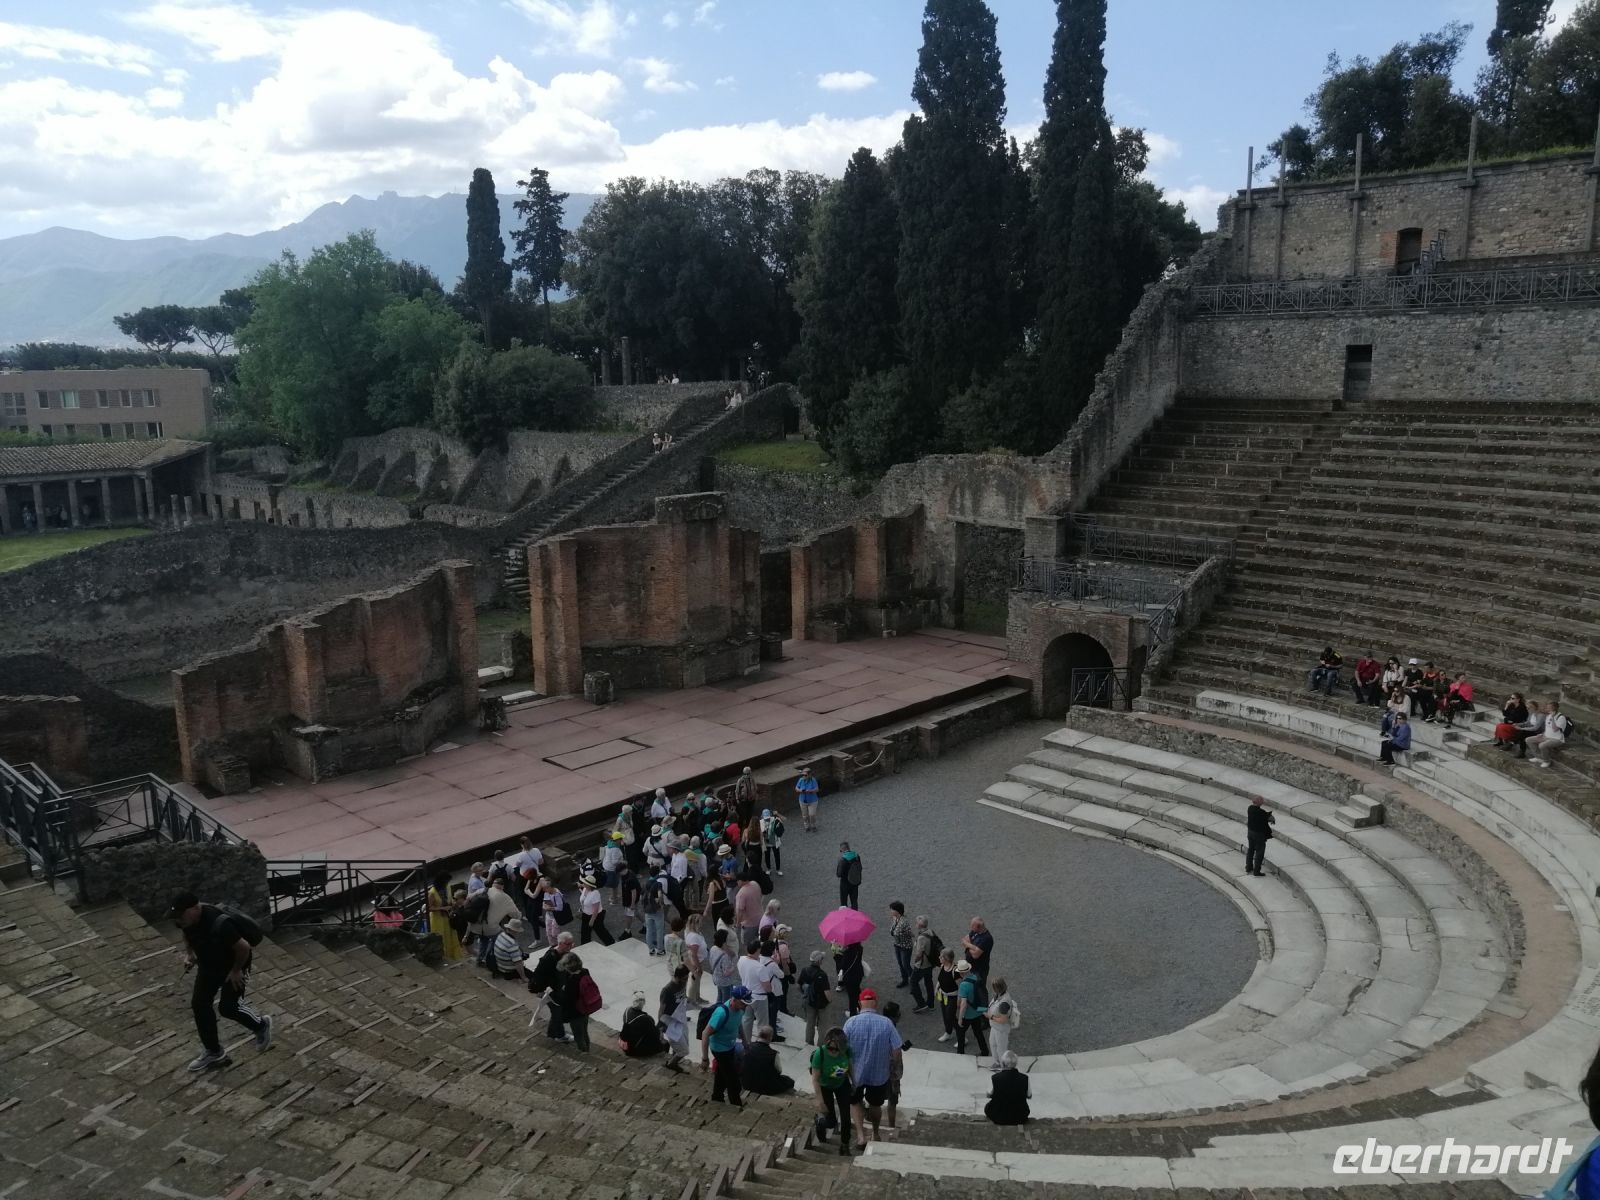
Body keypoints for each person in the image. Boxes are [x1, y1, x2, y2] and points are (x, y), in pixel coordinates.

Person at [170, 892, 272, 1072]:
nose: (178, 920)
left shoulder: (220, 922)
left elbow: (244, 947)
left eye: (181, 915)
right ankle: (213, 1052)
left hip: (236, 966)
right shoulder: (187, 920)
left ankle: (261, 1025)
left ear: (195, 908)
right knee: (199, 1004)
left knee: (228, 1007)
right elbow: (186, 933)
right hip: (209, 965)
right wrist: (189, 954)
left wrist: (235, 970)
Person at [843, 989, 902, 1146]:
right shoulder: (886, 1023)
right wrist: (892, 1066)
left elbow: (842, 1048)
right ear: (875, 1003)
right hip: (879, 1074)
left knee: (855, 1102)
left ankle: (861, 1136)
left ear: (859, 1003)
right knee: (876, 1105)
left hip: (855, 1073)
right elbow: (897, 1049)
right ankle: (875, 1133)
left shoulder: (850, 1022)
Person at [701, 985, 752, 1106]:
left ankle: (717, 1097)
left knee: (721, 1074)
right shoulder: (721, 1013)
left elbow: (739, 1025)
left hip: (730, 1046)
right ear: (734, 1000)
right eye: (743, 1003)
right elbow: (705, 1033)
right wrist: (705, 1058)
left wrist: (745, 1043)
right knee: (734, 1081)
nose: (745, 1006)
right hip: (719, 1049)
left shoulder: (740, 1009)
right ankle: (736, 1104)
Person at [809, 1026, 854, 1156]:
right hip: (825, 1086)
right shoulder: (820, 1054)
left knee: (846, 1118)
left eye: (836, 1049)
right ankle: (820, 1122)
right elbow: (815, 1079)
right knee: (831, 1121)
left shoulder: (847, 1051)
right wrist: (820, 1101)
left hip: (842, 1084)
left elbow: (850, 1066)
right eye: (830, 1048)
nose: (832, 1052)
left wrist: (854, 1082)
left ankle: (845, 1145)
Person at [528, 931, 576, 1041]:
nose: (571, 946)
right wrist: (541, 990)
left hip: (558, 989)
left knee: (558, 1012)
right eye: (569, 944)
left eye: (572, 944)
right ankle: (559, 1035)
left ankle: (554, 1033)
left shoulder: (564, 954)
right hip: (550, 991)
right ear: (561, 943)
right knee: (557, 1012)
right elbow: (539, 974)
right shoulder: (549, 957)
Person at [472, 877, 520, 968]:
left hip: (478, 924)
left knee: (483, 940)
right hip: (491, 926)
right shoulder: (505, 897)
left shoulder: (482, 890)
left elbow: (468, 898)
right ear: (502, 886)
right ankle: (491, 960)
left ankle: (479, 959)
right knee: (498, 939)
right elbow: (515, 914)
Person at [556, 952, 597, 1052]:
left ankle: (584, 1052)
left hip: (576, 1012)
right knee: (584, 1031)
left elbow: (567, 1000)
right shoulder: (585, 971)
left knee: (578, 1035)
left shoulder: (571, 982)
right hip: (585, 1007)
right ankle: (587, 1048)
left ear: (568, 967)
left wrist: (560, 992)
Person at [742, 1026, 795, 1094]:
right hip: (766, 1088)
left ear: (758, 1035)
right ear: (770, 1038)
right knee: (789, 1081)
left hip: (747, 1084)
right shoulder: (773, 1054)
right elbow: (779, 1071)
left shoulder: (747, 1047)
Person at [427, 871, 465, 963]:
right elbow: (429, 908)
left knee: (451, 936)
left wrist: (452, 903)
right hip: (437, 919)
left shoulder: (447, 887)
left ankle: (452, 957)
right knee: (442, 938)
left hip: (447, 916)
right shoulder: (432, 892)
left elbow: (449, 898)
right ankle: (443, 958)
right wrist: (443, 908)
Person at [954, 960, 990, 1057]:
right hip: (978, 1010)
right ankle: (985, 1051)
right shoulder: (975, 977)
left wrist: (960, 1019)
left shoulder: (963, 985)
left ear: (961, 973)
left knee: (960, 1032)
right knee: (978, 1033)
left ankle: (960, 1053)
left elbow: (963, 1004)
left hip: (968, 1014)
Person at [985, 1051, 1032, 1125]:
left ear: (1003, 1063)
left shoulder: (995, 1078)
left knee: (988, 1106)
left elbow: (988, 1095)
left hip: (998, 1117)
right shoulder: (1025, 1078)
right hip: (1020, 1116)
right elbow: (1029, 1096)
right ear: (1016, 1064)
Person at [659, 965, 691, 1072]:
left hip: (680, 1017)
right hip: (670, 1021)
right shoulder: (667, 990)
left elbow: (683, 996)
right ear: (677, 977)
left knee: (685, 1043)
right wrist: (660, 1027)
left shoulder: (683, 983)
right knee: (684, 1051)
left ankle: (674, 1057)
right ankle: (672, 1064)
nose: (686, 980)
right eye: (684, 978)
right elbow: (661, 1009)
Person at [799, 949, 833, 1044]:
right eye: (822, 958)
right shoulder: (822, 974)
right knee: (822, 1025)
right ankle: (821, 1044)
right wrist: (830, 1001)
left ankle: (809, 1042)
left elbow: (799, 985)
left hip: (809, 1002)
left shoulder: (804, 970)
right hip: (822, 1004)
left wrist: (805, 994)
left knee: (810, 1023)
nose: (823, 960)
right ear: (819, 961)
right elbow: (827, 992)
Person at [1527, 701, 1572, 768]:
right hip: (1546, 736)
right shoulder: (1548, 716)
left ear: (1554, 708)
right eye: (1547, 707)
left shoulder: (1561, 717)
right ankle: (1539, 757)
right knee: (1528, 740)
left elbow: (1555, 729)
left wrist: (1553, 718)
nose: (1547, 709)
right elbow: (1548, 728)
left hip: (1557, 739)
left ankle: (1546, 761)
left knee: (1542, 745)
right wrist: (1542, 734)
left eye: (1548, 708)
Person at [620, 990, 664, 1058]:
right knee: (664, 1044)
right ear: (644, 1003)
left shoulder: (627, 1010)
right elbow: (655, 1034)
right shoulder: (646, 1019)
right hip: (634, 1050)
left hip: (624, 1043)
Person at [987, 977, 1019, 1068]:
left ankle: (1003, 1066)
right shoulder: (999, 995)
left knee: (1001, 1048)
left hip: (1001, 1029)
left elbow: (1003, 1020)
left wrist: (990, 1016)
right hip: (995, 1026)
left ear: (997, 988)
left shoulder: (1004, 1003)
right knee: (993, 1044)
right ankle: (997, 1062)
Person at [910, 916, 938, 1013]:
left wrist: (915, 961)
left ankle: (921, 1004)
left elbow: (919, 954)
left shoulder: (922, 937)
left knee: (913, 982)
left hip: (922, 965)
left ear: (919, 925)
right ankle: (931, 1004)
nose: (915, 924)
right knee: (928, 982)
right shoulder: (930, 932)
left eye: (916, 923)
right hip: (930, 963)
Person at [577, 875, 614, 946]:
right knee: (584, 933)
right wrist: (580, 886)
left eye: (584, 883)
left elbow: (596, 909)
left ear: (589, 885)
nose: (583, 883)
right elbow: (584, 896)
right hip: (585, 914)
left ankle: (611, 944)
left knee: (601, 932)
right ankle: (585, 946)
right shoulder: (585, 888)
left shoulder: (595, 894)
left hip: (595, 916)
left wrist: (592, 920)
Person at [1245, 794, 1276, 875]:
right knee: (1260, 852)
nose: (1263, 802)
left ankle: (1248, 867)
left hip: (1250, 832)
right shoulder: (1260, 812)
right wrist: (1272, 819)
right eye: (1262, 800)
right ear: (1258, 802)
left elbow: (1265, 816)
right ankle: (1257, 871)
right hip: (1258, 835)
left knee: (1251, 850)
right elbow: (1268, 817)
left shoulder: (1250, 808)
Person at [935, 948, 960, 1043]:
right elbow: (940, 979)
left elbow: (960, 987)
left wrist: (959, 1001)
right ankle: (948, 1033)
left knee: (951, 1016)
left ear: (946, 958)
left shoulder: (955, 970)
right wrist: (936, 988)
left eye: (941, 956)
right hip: (943, 996)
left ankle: (961, 1036)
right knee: (945, 1015)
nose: (939, 957)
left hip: (953, 997)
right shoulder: (942, 966)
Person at [491, 915, 527, 982]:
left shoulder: (501, 935)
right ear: (515, 931)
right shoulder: (512, 944)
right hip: (509, 971)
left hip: (500, 966)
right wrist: (523, 977)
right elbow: (518, 963)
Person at [835, 939, 865, 1017]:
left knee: (852, 996)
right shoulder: (860, 948)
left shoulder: (847, 953)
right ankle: (862, 1009)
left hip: (850, 977)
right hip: (858, 974)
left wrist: (841, 952)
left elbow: (842, 966)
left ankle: (853, 1014)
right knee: (857, 992)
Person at [709, 927, 740, 1004]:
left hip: (716, 978)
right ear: (724, 941)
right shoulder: (724, 956)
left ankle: (716, 1010)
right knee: (726, 1001)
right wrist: (734, 965)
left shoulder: (713, 948)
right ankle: (724, 1014)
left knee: (719, 998)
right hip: (725, 982)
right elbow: (727, 973)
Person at [683, 912, 707, 1005]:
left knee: (696, 981)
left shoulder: (691, 932)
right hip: (697, 962)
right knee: (695, 982)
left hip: (698, 960)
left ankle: (697, 997)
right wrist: (699, 967)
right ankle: (693, 1000)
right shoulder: (694, 937)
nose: (702, 923)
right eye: (700, 922)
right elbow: (694, 954)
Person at [734, 875, 763, 951]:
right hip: (760, 918)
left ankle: (751, 959)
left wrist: (737, 923)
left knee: (747, 944)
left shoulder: (741, 894)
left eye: (737, 881)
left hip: (748, 923)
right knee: (760, 940)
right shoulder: (755, 884)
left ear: (741, 881)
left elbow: (740, 911)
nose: (737, 882)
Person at [888, 902, 913, 989]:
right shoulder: (895, 918)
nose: (891, 911)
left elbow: (909, 934)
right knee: (900, 964)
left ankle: (914, 979)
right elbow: (893, 930)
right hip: (897, 945)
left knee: (905, 964)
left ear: (897, 911)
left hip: (905, 947)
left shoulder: (904, 922)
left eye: (892, 909)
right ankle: (905, 980)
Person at [962, 917, 994, 981]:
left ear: (978, 926)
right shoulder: (975, 932)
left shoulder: (987, 938)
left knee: (979, 989)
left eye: (972, 927)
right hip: (969, 967)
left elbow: (975, 955)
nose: (971, 929)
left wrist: (967, 945)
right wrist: (974, 948)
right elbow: (964, 940)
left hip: (979, 970)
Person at [836, 843, 862, 909]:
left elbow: (839, 874)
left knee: (843, 903)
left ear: (842, 849)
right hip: (854, 882)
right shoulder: (856, 856)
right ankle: (855, 915)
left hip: (845, 884)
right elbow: (860, 868)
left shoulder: (843, 859)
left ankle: (845, 916)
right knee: (854, 901)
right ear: (848, 848)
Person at [760, 808, 785, 877]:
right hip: (766, 842)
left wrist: (777, 814)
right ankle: (768, 869)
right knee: (767, 856)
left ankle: (778, 869)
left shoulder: (775, 819)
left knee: (777, 856)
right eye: (765, 818)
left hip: (774, 841)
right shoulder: (760, 822)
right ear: (762, 816)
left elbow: (784, 820)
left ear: (770, 815)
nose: (767, 819)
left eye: (768, 817)